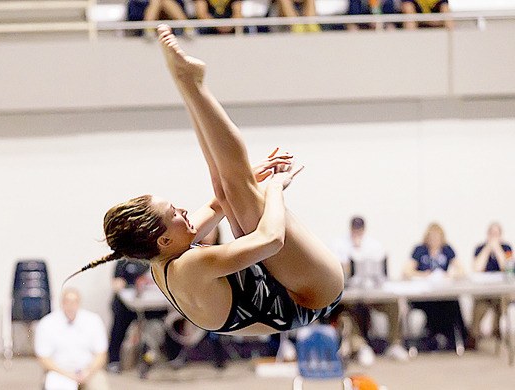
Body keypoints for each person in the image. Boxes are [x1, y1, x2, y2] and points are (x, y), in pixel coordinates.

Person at [67, 24, 344, 337]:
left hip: (280, 285)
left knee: (227, 189)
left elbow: (217, 201)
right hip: (312, 296)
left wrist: (256, 173)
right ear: (163, 239)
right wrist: (276, 187)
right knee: (239, 188)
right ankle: (191, 85)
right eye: (175, 213)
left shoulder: (162, 256)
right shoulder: (188, 268)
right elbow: (271, 239)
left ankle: (187, 85)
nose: (184, 210)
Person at [333, 216, 408, 363]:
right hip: (350, 296)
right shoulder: (339, 244)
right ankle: (360, 346)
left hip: (372, 293)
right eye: (355, 228)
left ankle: (394, 344)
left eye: (359, 229)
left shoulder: (373, 245)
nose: (357, 232)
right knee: (346, 315)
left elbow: (381, 272)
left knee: (393, 303)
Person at [404, 222, 468, 351]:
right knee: (432, 306)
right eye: (432, 237)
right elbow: (407, 271)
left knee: (453, 304)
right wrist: (423, 275)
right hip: (423, 296)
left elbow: (461, 270)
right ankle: (432, 336)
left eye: (437, 237)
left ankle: (459, 338)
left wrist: (450, 275)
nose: (434, 240)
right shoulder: (420, 250)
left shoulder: (447, 249)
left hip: (442, 293)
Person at [34, 288, 109, 390]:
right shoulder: (47, 323)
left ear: (79, 303)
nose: (71, 305)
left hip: (88, 370)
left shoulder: (93, 321)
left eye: (74, 301)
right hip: (59, 372)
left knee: (99, 385)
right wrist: (67, 374)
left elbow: (101, 354)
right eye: (67, 301)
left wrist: (88, 371)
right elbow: (43, 357)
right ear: (62, 303)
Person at [107, 259, 169, 373]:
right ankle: (113, 360)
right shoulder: (124, 261)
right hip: (126, 305)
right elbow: (116, 284)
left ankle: (170, 357)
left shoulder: (158, 262)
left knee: (166, 326)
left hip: (153, 305)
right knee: (118, 329)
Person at [469, 222, 513, 348]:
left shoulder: (506, 248)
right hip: (484, 290)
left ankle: (497, 330)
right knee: (479, 304)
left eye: (496, 234)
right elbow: (477, 268)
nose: (493, 237)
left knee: (502, 302)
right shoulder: (480, 248)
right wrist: (488, 248)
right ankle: (474, 335)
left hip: (501, 290)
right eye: (491, 234)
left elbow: (507, 268)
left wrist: (498, 249)